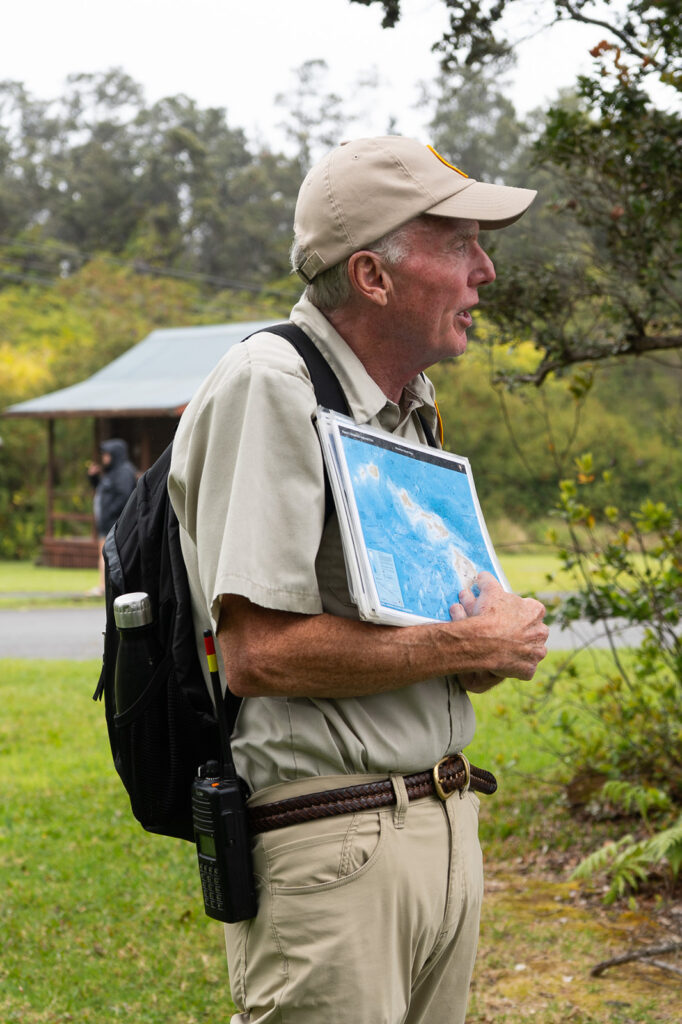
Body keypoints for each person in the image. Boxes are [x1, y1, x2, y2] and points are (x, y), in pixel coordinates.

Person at [168, 136, 549, 1024]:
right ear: (374, 276)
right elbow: (257, 654)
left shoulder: (405, 408)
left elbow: (403, 636)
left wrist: (484, 646)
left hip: (440, 821)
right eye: (460, 244)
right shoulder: (271, 382)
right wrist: (460, 642)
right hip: (336, 841)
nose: (485, 271)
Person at [87, 438, 137, 595]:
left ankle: (106, 588)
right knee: (104, 555)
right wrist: (93, 478)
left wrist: (110, 514)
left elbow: (125, 497)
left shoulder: (124, 472)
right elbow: (103, 491)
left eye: (107, 454)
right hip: (106, 524)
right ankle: (105, 586)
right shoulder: (111, 473)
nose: (104, 458)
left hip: (115, 524)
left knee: (109, 556)